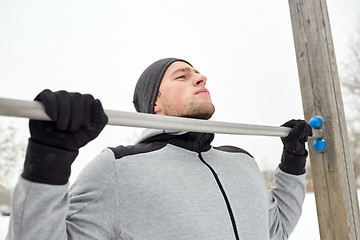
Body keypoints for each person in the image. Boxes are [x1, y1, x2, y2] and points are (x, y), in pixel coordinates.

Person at [6, 58, 312, 240]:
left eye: (197, 73)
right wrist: (49, 160)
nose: (200, 77)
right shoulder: (119, 168)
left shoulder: (241, 161)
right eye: (182, 76)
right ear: (155, 104)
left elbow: (275, 229)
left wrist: (294, 163)